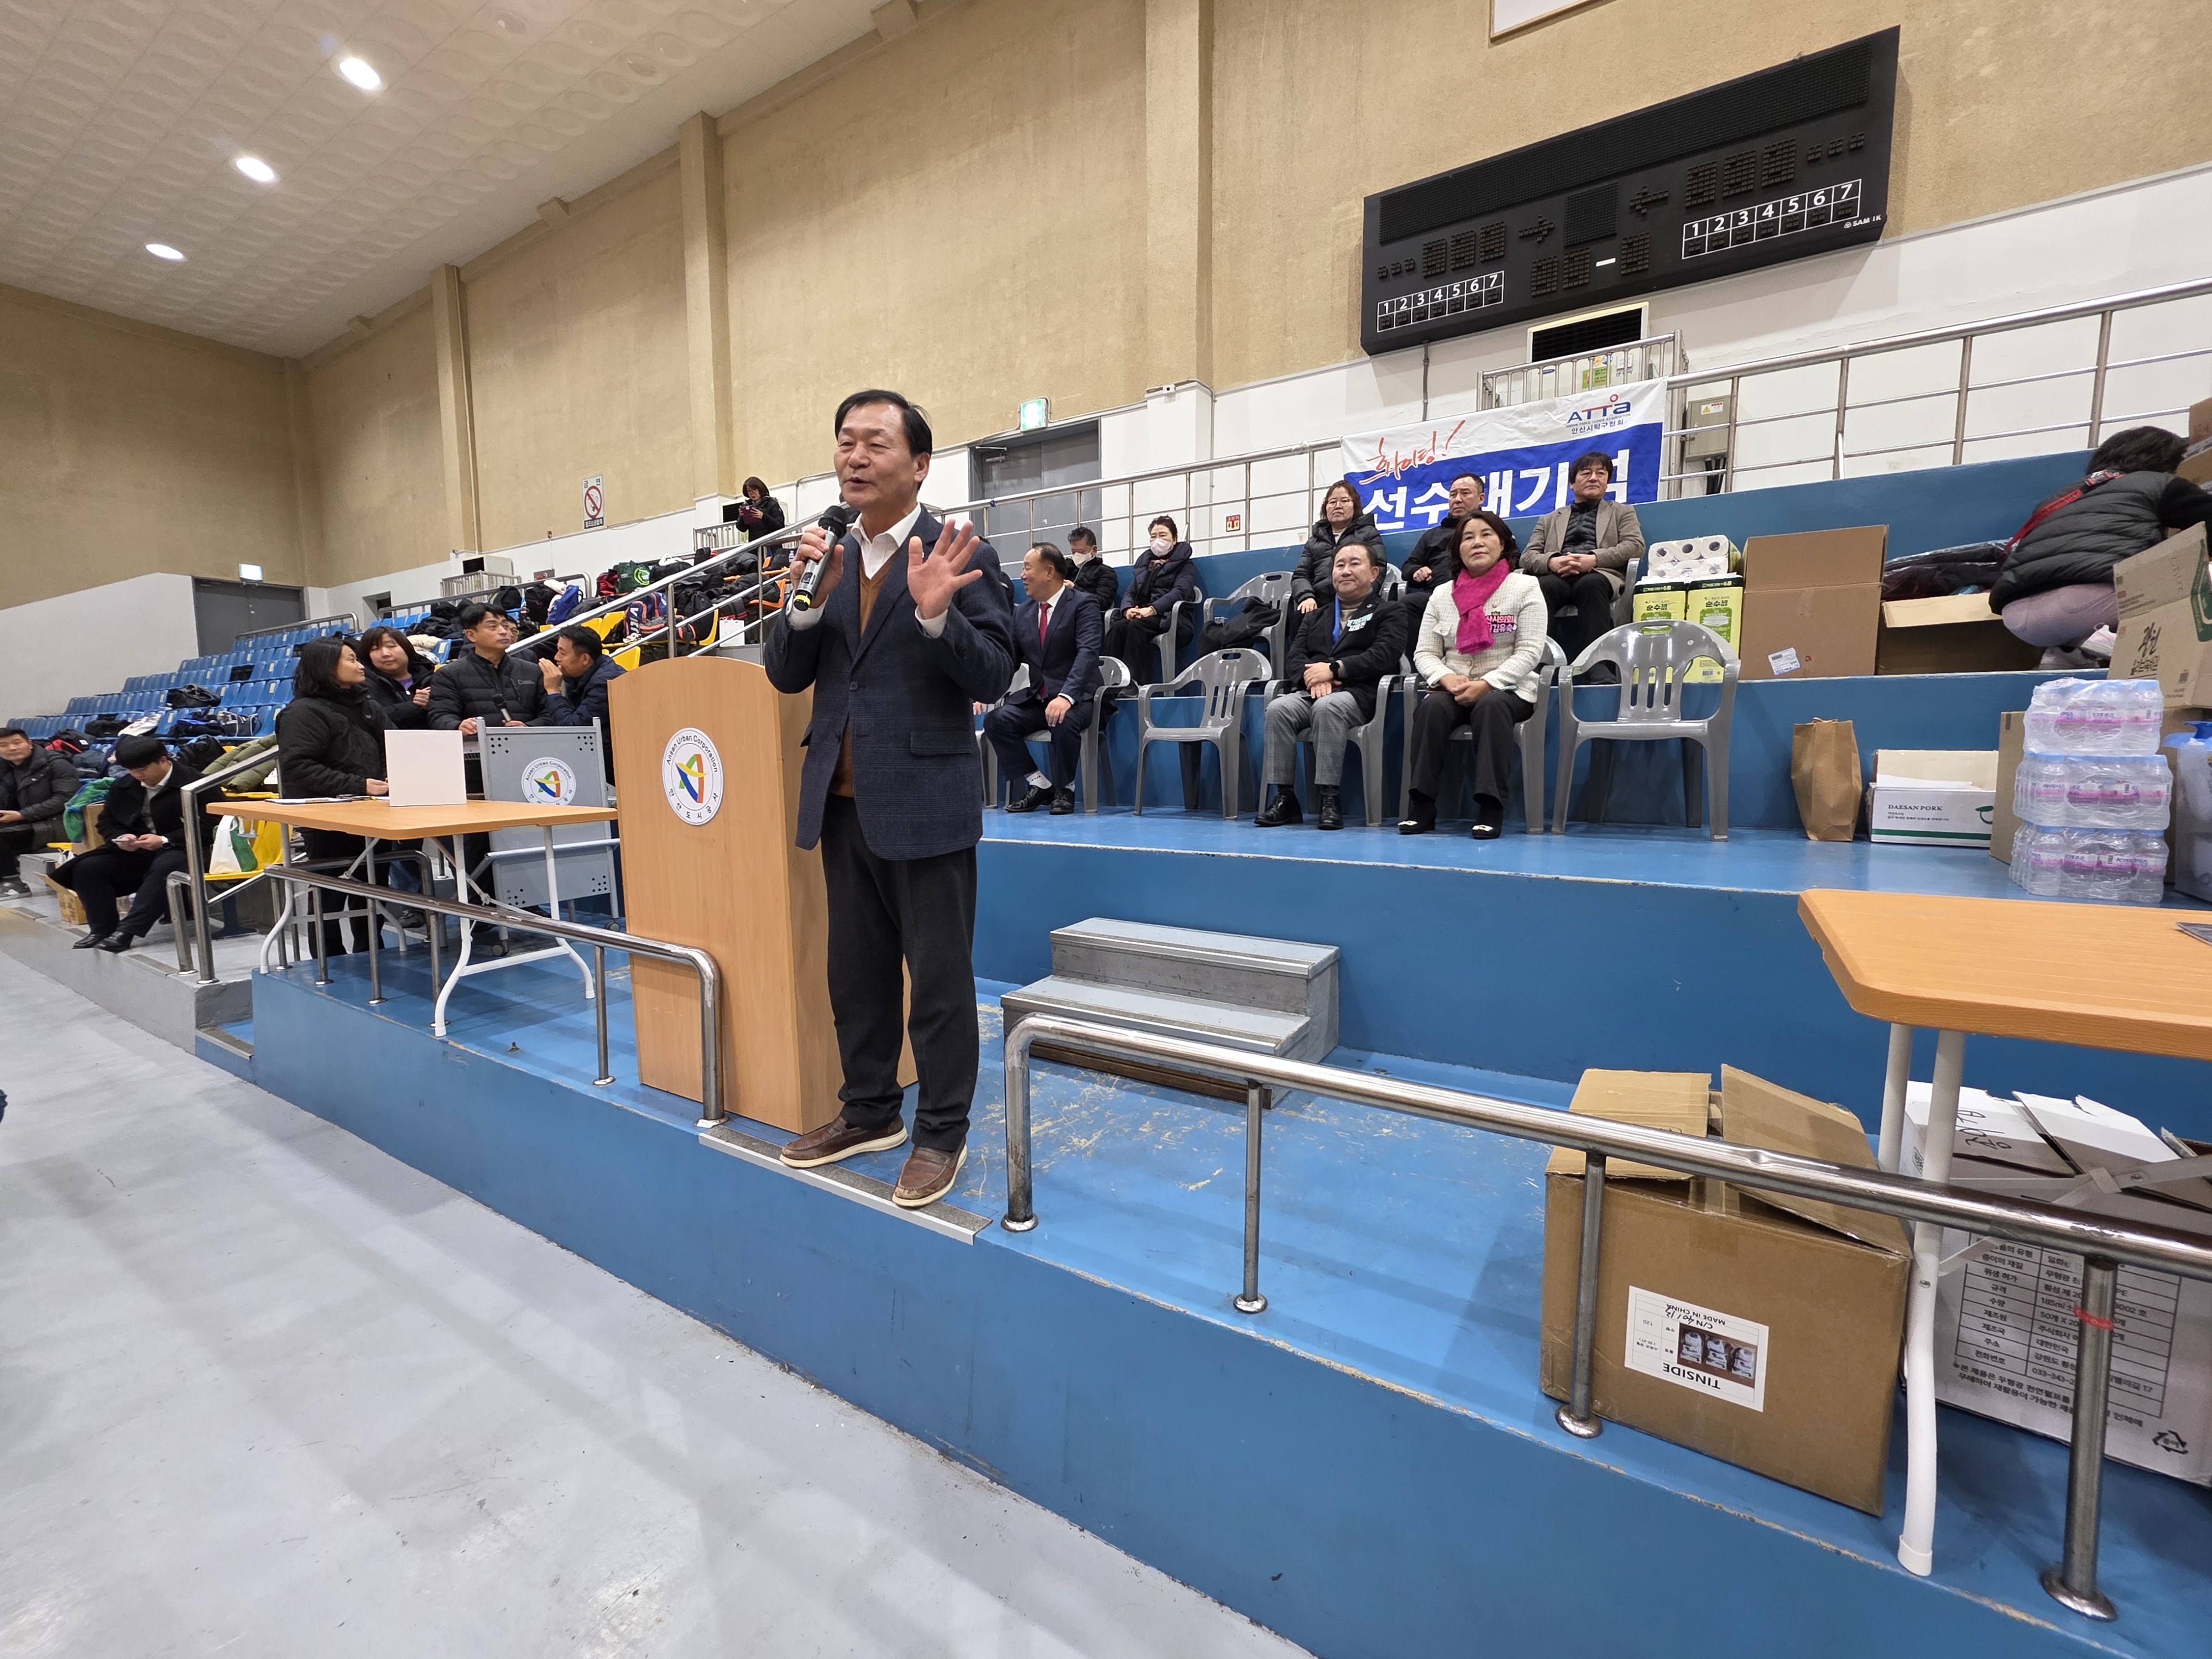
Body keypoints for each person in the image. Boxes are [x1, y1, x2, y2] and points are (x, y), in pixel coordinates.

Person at [763, 389, 1015, 1209]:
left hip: (926, 799)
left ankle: (940, 1132)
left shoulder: (958, 550)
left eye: (876, 442)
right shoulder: (826, 554)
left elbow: (994, 673)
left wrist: (940, 618)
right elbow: (785, 674)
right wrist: (804, 605)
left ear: (920, 464)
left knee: (938, 982)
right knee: (856, 974)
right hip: (840, 800)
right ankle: (869, 1111)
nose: (855, 456)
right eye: (846, 442)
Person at [1992, 426, 2212, 667]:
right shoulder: (2159, 483)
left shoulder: (2062, 496)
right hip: (2090, 604)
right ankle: (2121, 641)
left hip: (2018, 619)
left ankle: (2068, 651)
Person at [1402, 511, 1548, 840]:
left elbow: (1529, 652)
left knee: (1492, 706)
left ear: (1503, 544)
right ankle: (1422, 805)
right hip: (1455, 687)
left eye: (1486, 535)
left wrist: (1488, 684)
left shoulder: (1525, 587)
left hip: (1509, 689)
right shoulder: (1442, 594)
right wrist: (1445, 678)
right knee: (1430, 708)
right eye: (1468, 537)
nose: (1477, 543)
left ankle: (1490, 807)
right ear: (1458, 549)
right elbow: (1424, 653)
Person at [1255, 541, 1408, 831]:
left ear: (1374, 573)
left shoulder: (1390, 611)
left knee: (1328, 707)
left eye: (1355, 564)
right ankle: (1285, 799)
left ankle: (1329, 799)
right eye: (1340, 565)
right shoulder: (1316, 616)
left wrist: (1335, 670)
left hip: (1359, 693)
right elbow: (1295, 657)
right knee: (1278, 709)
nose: (1346, 571)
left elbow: (1384, 655)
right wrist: (1312, 678)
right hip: (1312, 691)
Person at [276, 638, 392, 954]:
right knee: (328, 896)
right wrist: (359, 785)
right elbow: (298, 766)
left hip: (374, 815)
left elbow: (393, 743)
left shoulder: (368, 705)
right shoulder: (303, 712)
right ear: (327, 667)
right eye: (351, 660)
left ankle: (372, 953)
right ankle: (328, 961)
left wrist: (391, 773)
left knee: (373, 891)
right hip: (327, 819)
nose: (360, 666)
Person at [53, 734, 216, 953]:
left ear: (164, 760)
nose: (138, 775)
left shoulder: (197, 784)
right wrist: (121, 837)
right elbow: (107, 821)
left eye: (143, 769)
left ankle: (127, 932)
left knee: (166, 867)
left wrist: (165, 840)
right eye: (131, 770)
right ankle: (102, 930)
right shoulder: (124, 785)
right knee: (88, 867)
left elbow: (213, 825)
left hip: (187, 847)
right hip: (139, 850)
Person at [985, 544, 1103, 815]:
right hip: (1039, 698)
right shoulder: (1022, 613)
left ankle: (1065, 788)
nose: (1022, 575)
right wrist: (987, 688)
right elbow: (1010, 659)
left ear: (1050, 572)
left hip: (1079, 698)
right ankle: (1039, 784)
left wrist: (1066, 696)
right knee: (997, 720)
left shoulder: (1083, 604)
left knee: (1063, 719)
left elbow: (1087, 653)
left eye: (1027, 568)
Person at [1518, 450, 1644, 669]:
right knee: (1541, 587)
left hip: (1598, 574)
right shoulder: (1548, 520)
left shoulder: (1622, 512)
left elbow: (1635, 545)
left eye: (1601, 474)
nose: (1594, 478)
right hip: (1557, 576)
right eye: (1586, 473)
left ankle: (1598, 666)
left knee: (1591, 585)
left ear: (1607, 482)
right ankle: (1535, 665)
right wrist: (1552, 562)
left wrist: (1594, 559)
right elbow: (1528, 556)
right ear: (1572, 483)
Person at [426, 603, 547, 735]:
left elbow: (549, 714)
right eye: (493, 627)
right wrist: (458, 726)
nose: (503, 631)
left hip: (526, 743)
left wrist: (528, 727)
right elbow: (440, 716)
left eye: (505, 626)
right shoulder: (449, 674)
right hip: (475, 744)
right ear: (471, 635)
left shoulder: (532, 671)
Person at [1102, 516, 1199, 677]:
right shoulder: (1146, 565)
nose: (1157, 540)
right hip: (1143, 615)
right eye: (1153, 536)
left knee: (1135, 628)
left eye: (1163, 535)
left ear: (1174, 539)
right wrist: (1127, 610)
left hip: (1170, 618)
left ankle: (1134, 681)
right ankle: (1111, 678)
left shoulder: (1186, 565)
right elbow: (1131, 592)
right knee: (1118, 627)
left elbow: (1180, 592)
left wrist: (1153, 609)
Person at [1399, 472, 1485, 639]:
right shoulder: (1433, 535)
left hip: (1479, 591)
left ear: (1481, 499)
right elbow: (1408, 567)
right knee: (1406, 604)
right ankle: (1418, 656)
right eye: (1453, 495)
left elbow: (1511, 558)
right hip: (1436, 595)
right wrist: (1417, 571)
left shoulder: (1490, 529)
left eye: (1465, 493)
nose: (1457, 500)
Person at [0, 726, 76, 900]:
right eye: (4, 745)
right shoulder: (4, 768)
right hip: (24, 821)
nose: (12, 748)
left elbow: (65, 799)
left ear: (30, 743)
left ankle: (14, 883)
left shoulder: (57, 764)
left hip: (57, 823)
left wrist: (22, 815)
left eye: (17, 742)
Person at [1293, 481, 1386, 617]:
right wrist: (1307, 596)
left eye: (1344, 501)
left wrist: (1362, 596)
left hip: (1356, 598)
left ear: (1355, 507)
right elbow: (1301, 575)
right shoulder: (1314, 541)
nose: (1338, 506)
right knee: (1300, 615)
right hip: (1320, 602)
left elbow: (1379, 568)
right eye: (1332, 502)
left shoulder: (1368, 533)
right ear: (1326, 508)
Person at [531, 625, 625, 732]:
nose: (556, 657)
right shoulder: (576, 675)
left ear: (585, 659)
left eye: (562, 653)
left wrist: (553, 691)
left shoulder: (604, 684)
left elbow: (576, 731)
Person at [356, 623, 435, 729]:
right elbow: (371, 719)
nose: (385, 654)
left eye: (391, 646)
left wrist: (435, 704)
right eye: (375, 649)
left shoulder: (434, 679)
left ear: (406, 648)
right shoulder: (362, 687)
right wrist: (415, 706)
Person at [1067, 524, 1120, 618]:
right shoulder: (1066, 568)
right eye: (1074, 552)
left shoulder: (1106, 572)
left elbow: (1103, 603)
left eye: (1082, 552)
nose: (1077, 556)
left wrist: (1074, 588)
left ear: (1094, 550)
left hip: (1087, 616)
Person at [733, 476, 787, 542]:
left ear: (760, 489)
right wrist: (742, 517)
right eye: (749, 491)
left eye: (754, 490)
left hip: (771, 543)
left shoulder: (772, 503)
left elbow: (780, 526)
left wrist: (764, 516)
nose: (751, 493)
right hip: (754, 544)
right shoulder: (746, 506)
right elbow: (742, 529)